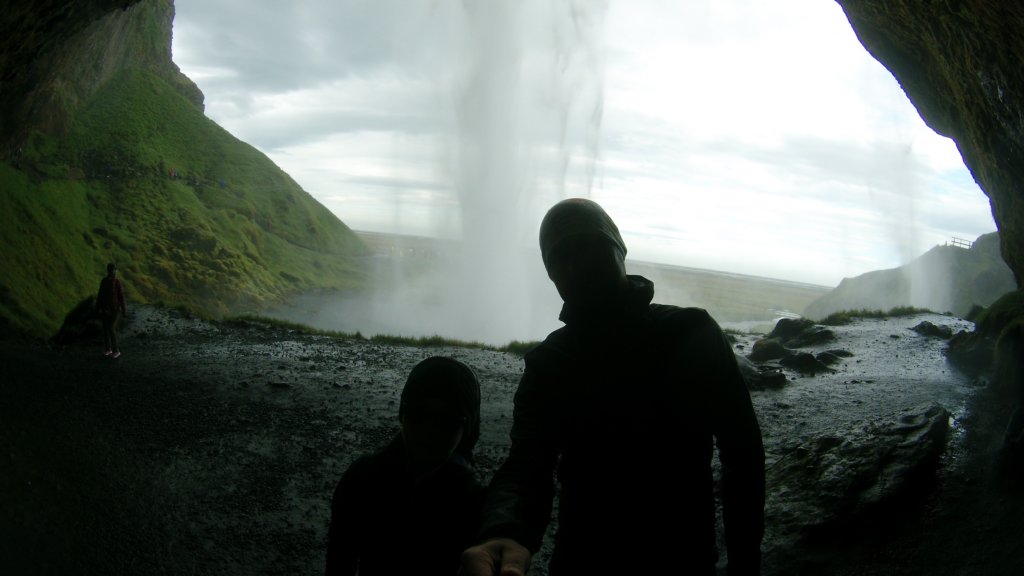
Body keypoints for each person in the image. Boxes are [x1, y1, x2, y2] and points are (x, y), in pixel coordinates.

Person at [460, 198, 765, 575]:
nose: (577, 264)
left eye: (589, 245)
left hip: (675, 559)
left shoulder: (692, 333)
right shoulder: (549, 363)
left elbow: (743, 455)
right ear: (551, 275)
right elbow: (527, 466)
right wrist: (504, 531)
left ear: (620, 249)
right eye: (560, 257)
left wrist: (745, 562)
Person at [326, 356, 484, 576]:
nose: (429, 430)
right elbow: (340, 558)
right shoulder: (362, 480)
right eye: (419, 413)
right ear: (402, 413)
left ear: (467, 429)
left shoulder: (474, 503)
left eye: (447, 420)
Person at [95, 262, 127, 359]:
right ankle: (108, 349)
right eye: (113, 270)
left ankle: (116, 350)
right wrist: (97, 308)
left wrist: (124, 310)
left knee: (111, 328)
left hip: (115, 310)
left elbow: (121, 297)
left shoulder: (117, 282)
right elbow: (100, 295)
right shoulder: (104, 281)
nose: (114, 272)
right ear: (109, 271)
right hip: (106, 310)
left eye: (115, 270)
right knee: (105, 329)